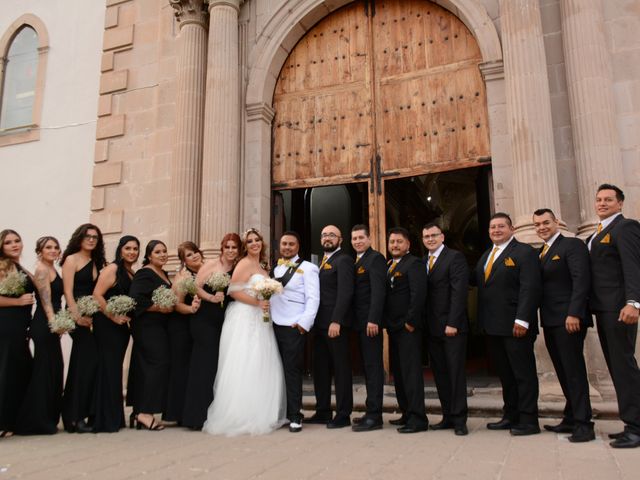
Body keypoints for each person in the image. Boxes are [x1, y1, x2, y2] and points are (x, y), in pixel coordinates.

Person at [203, 228, 286, 436]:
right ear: (245, 246)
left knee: (261, 361)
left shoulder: (262, 265)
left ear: (262, 243)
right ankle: (242, 414)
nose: (254, 244)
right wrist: (258, 303)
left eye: (257, 240)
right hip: (245, 317)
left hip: (260, 320)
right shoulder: (245, 263)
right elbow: (234, 291)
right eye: (250, 241)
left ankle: (262, 411)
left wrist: (264, 303)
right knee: (245, 361)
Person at [472, 213, 541, 436]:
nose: (496, 230)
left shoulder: (525, 252)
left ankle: (529, 420)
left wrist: (522, 319)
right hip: (492, 327)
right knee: (506, 375)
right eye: (492, 227)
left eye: (501, 226)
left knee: (523, 374)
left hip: (516, 326)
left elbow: (529, 288)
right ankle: (511, 415)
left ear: (512, 228)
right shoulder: (485, 256)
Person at [532, 209, 594, 443]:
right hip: (550, 320)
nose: (541, 227)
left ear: (556, 222)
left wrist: (575, 312)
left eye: (546, 222)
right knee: (563, 371)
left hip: (569, 320)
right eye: (537, 224)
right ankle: (571, 417)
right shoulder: (542, 252)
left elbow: (581, 280)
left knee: (574, 372)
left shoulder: (572, 245)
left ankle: (584, 424)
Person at [587, 184, 640, 449]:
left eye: (609, 199)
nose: (602, 203)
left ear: (620, 203)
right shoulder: (599, 231)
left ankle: (637, 427)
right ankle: (630, 422)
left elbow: (633, 266)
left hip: (619, 308)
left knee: (624, 367)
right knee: (617, 367)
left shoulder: (626, 227)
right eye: (598, 199)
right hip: (604, 308)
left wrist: (634, 302)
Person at [182, 233, 239, 430]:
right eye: (228, 247)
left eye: (234, 247)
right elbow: (195, 287)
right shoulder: (211, 265)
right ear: (222, 249)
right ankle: (195, 417)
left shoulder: (237, 268)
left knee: (217, 366)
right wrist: (210, 298)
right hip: (204, 320)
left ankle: (212, 413)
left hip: (224, 321)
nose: (231, 251)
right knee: (203, 365)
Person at [422, 223, 469, 436]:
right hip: (432, 327)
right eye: (426, 236)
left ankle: (460, 420)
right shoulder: (423, 262)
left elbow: (459, 293)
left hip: (452, 327)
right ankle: (448, 416)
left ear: (442, 237)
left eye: (433, 235)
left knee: (455, 373)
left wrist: (453, 322)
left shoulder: (455, 258)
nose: (430, 239)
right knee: (440, 374)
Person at [270, 231, 320, 433]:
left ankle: (295, 416)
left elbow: (313, 298)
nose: (287, 247)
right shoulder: (275, 267)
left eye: (291, 244)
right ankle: (279, 413)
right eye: (284, 244)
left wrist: (303, 323)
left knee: (292, 371)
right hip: (273, 324)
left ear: (298, 247)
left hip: (293, 325)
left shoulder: (309, 268)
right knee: (275, 372)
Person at [15, 236, 64, 435]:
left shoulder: (52, 268)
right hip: (44, 324)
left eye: (56, 247)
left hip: (50, 323)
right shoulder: (42, 270)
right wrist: (54, 322)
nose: (53, 250)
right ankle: (36, 421)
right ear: (40, 251)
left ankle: (48, 417)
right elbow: (45, 300)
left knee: (54, 367)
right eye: (48, 247)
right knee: (45, 370)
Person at [307, 225, 354, 429]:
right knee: (321, 369)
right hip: (318, 324)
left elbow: (345, 293)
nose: (327, 238)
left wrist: (337, 320)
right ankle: (323, 411)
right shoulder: (318, 262)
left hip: (335, 325)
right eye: (324, 234)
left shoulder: (343, 260)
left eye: (332, 235)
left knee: (341, 369)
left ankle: (343, 414)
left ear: (340, 239)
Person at [61, 223, 106, 433]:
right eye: (87, 236)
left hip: (93, 316)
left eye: (95, 237)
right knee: (83, 365)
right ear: (79, 237)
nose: (91, 240)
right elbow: (68, 292)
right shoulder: (71, 260)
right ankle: (73, 417)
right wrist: (77, 316)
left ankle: (84, 414)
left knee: (90, 365)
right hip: (78, 317)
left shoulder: (97, 261)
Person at [92, 235, 140, 433]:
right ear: (120, 250)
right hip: (108, 325)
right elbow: (97, 294)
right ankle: (105, 419)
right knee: (109, 368)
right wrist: (112, 316)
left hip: (121, 328)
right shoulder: (112, 269)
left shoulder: (131, 272)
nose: (132, 252)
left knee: (114, 368)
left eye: (135, 249)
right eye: (128, 248)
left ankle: (114, 417)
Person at [384, 227, 428, 434]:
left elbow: (418, 295)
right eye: (392, 242)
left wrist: (410, 322)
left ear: (408, 244)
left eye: (399, 241)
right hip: (393, 327)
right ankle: (406, 412)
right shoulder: (389, 265)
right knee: (399, 374)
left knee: (411, 374)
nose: (395, 245)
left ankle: (418, 418)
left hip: (408, 328)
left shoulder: (415, 264)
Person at [129, 240, 174, 431]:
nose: (162, 254)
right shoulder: (144, 273)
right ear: (149, 256)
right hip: (147, 327)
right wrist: (158, 308)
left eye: (164, 251)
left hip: (159, 326)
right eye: (158, 252)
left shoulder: (162, 273)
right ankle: (144, 413)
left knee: (148, 367)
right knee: (158, 364)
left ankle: (139, 411)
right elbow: (135, 299)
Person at [350, 224, 386, 432]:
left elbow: (378, 291)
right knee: (366, 367)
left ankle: (375, 416)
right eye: (354, 239)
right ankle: (370, 410)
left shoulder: (375, 259)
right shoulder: (358, 260)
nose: (357, 241)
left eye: (361, 238)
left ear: (369, 239)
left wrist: (374, 319)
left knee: (373, 368)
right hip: (359, 324)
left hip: (370, 324)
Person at [0, 230, 35, 438]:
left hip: (20, 327)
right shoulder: (2, 267)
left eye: (17, 241)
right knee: (6, 372)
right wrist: (17, 301)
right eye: (8, 243)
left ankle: (12, 419)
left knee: (18, 371)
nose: (14, 245)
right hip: (6, 326)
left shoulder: (19, 267)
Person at [165, 242, 201, 425]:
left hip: (198, 326)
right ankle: (178, 413)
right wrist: (191, 309)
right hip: (182, 326)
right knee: (182, 368)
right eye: (188, 255)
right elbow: (176, 304)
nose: (194, 256)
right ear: (183, 260)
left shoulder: (206, 269)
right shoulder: (183, 277)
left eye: (195, 252)